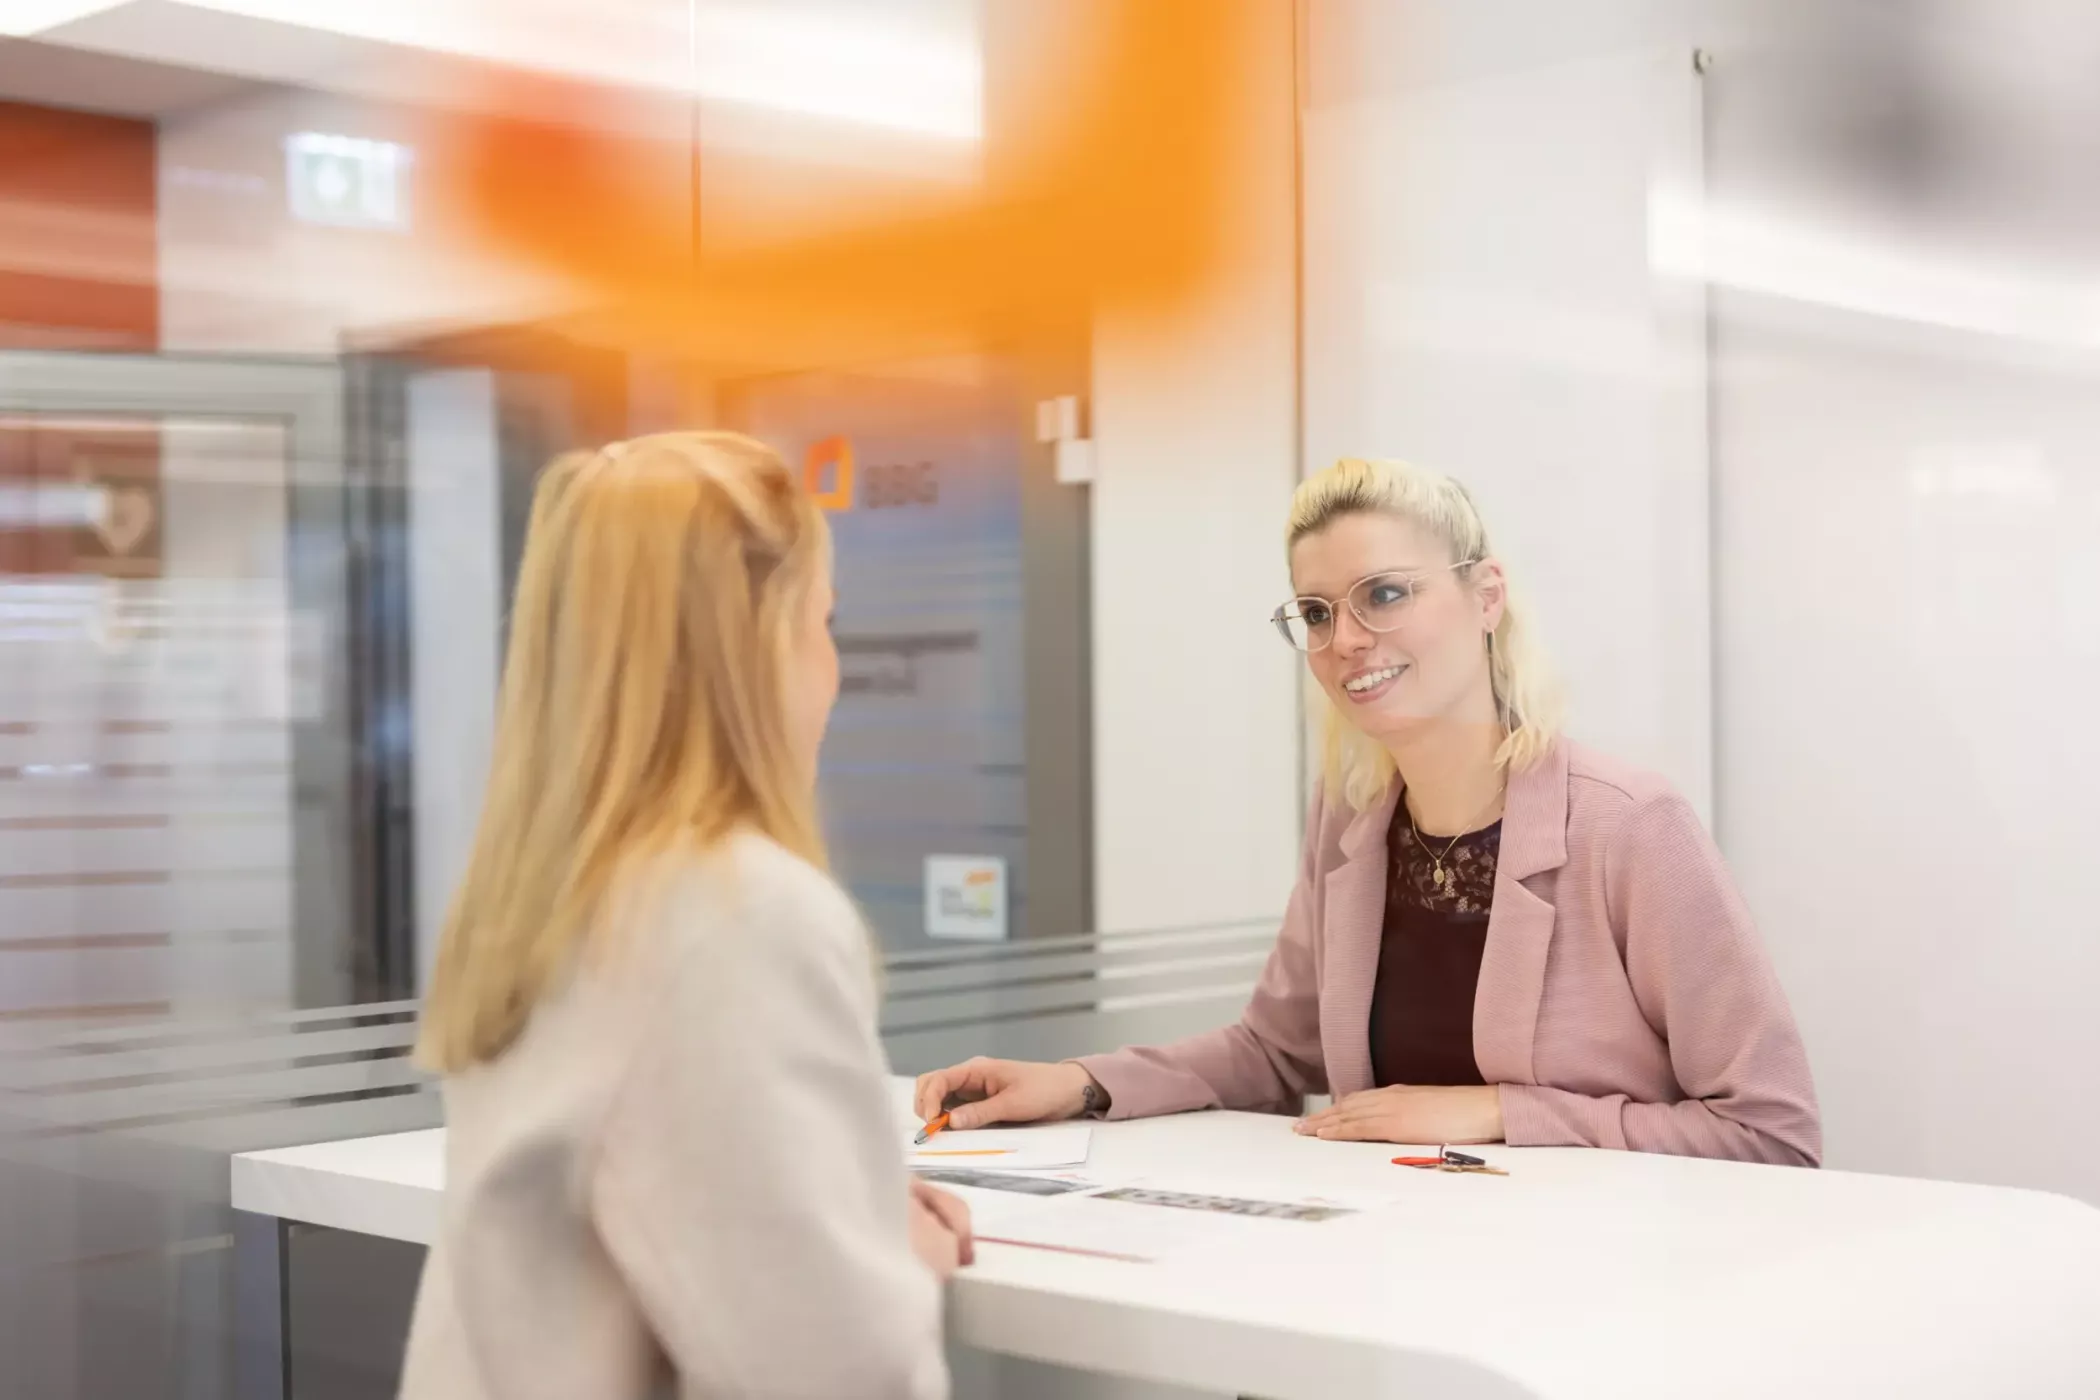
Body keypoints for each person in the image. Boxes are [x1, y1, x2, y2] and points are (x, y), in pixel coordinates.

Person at [916, 457, 1821, 1167]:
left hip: (1584, 1311)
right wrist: (1078, 1084)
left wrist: (1501, 1113)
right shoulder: (1350, 820)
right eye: (1316, 611)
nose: (1346, 640)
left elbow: (1772, 1134)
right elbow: (1274, 1055)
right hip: (1385, 1279)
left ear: (1486, 598)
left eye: (1385, 594)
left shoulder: (1629, 824)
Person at [400, 432, 966, 1400]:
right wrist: (893, 1255)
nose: (830, 670)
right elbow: (837, 1368)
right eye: (823, 622)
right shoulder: (735, 912)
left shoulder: (544, 896)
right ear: (763, 640)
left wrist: (836, 1213)